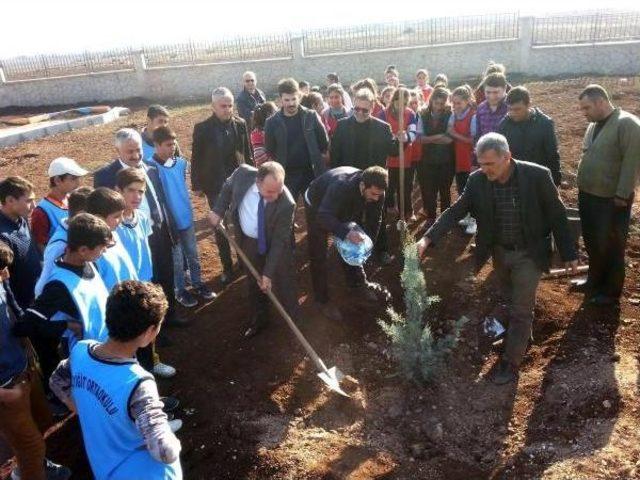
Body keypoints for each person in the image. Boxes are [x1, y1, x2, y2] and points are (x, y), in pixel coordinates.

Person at [416, 133, 578, 384]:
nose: (485, 169)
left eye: (490, 164)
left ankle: (510, 364)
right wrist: (427, 238)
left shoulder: (537, 176)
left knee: (522, 310)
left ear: (507, 157)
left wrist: (569, 253)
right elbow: (455, 211)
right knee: (509, 299)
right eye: (481, 163)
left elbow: (557, 215)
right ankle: (523, 337)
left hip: (530, 253)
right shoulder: (477, 180)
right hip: (499, 252)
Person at [49, 281, 183, 480]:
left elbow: (56, 380)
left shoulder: (81, 350)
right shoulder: (138, 382)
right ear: (148, 332)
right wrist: (169, 436)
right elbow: (164, 452)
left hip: (104, 467)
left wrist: (84, 409)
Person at [0, 242, 72, 480]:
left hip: (23, 370)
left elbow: (18, 317)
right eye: (1, 271)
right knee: (31, 445)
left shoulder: (1, 280)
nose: (6, 274)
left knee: (43, 422)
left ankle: (28, 468)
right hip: (6, 389)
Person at [14, 213, 112, 383]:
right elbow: (24, 326)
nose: (104, 252)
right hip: (86, 364)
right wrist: (65, 326)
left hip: (104, 350)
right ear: (82, 250)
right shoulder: (58, 286)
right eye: (101, 248)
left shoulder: (88, 263)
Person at [209, 162, 297, 337]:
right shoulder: (242, 174)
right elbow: (227, 188)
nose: (276, 196)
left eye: (279, 190)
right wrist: (218, 210)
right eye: (270, 192)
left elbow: (280, 241)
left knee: (283, 279)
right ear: (258, 182)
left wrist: (268, 273)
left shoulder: (287, 203)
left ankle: (293, 319)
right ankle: (260, 319)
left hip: (274, 244)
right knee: (253, 282)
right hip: (249, 241)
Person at [573, 84, 640, 306]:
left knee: (612, 245)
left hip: (612, 199)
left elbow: (632, 161)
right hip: (589, 195)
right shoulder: (593, 125)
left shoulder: (627, 124)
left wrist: (622, 194)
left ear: (602, 101)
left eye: (587, 107)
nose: (584, 113)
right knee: (593, 241)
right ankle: (593, 280)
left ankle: (611, 293)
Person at [305, 166, 388, 321]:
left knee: (354, 236)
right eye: (374, 194)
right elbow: (323, 216)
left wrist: (367, 246)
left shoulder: (377, 191)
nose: (376, 199)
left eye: (380, 195)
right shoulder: (341, 187)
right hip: (317, 203)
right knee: (318, 252)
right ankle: (321, 300)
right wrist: (346, 232)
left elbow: (374, 220)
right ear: (363, 185)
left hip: (345, 203)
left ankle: (357, 283)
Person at [114, 168, 176, 379]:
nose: (137, 196)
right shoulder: (112, 226)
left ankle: (152, 363)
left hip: (145, 282)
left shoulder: (141, 217)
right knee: (129, 335)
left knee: (147, 328)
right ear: (118, 190)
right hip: (124, 289)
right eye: (131, 190)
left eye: (141, 191)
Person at [191, 87, 253, 286]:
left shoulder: (241, 124)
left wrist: (254, 176)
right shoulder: (202, 129)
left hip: (239, 181)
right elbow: (196, 158)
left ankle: (244, 261)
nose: (227, 109)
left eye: (230, 105)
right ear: (213, 106)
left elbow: (248, 152)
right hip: (215, 184)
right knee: (220, 225)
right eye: (223, 106)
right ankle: (227, 267)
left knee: (242, 221)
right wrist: (197, 184)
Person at [330, 88, 398, 265]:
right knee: (350, 216)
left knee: (377, 218)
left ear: (373, 108)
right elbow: (335, 155)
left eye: (365, 110)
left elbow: (394, 151)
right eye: (356, 109)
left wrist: (401, 140)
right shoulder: (342, 126)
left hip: (375, 181)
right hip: (350, 182)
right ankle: (348, 250)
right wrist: (337, 180)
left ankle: (380, 250)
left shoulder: (383, 128)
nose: (360, 113)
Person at [151, 126, 216, 307]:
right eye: (167, 144)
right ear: (156, 145)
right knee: (177, 261)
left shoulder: (180, 164)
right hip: (169, 224)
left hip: (186, 219)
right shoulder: (150, 168)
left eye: (173, 144)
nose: (172, 148)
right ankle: (180, 291)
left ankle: (197, 283)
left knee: (193, 254)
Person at [264, 78, 329, 201]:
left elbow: (323, 142)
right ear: (280, 100)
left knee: (314, 206)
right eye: (287, 100)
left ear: (299, 97)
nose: (291, 103)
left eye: (294, 99)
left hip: (311, 172)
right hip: (287, 175)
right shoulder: (271, 123)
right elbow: (270, 150)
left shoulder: (311, 116)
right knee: (286, 209)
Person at [498, 86, 562, 186]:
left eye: (517, 109)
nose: (512, 113)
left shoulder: (544, 124)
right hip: (515, 180)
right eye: (510, 109)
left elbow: (552, 155)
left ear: (528, 105)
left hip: (539, 179)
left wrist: (555, 182)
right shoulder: (504, 125)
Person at [35, 186, 93, 297]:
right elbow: (41, 288)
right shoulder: (60, 245)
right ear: (82, 214)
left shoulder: (82, 235)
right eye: (96, 214)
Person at [0, 176, 41, 310]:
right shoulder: (3, 236)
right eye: (29, 200)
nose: (34, 205)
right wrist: (19, 315)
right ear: (10, 200)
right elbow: (5, 282)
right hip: (21, 308)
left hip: (36, 299)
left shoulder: (21, 219)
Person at [86, 188, 138, 292]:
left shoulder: (115, 235)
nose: (122, 220)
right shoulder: (93, 254)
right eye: (117, 216)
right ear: (98, 218)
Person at [31, 156, 88, 251]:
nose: (78, 183)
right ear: (57, 180)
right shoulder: (41, 212)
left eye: (78, 178)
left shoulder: (73, 199)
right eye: (73, 179)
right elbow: (41, 247)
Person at [416, 86, 454, 227]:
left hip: (447, 160)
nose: (438, 107)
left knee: (445, 190)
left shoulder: (450, 114)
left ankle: (444, 219)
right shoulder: (422, 114)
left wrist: (429, 138)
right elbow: (420, 138)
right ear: (431, 101)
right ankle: (431, 218)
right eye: (436, 103)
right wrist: (438, 136)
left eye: (442, 104)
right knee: (429, 190)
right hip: (426, 160)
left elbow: (449, 139)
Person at [378, 87, 418, 221]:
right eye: (399, 102)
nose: (402, 106)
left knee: (406, 187)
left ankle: (407, 211)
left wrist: (406, 136)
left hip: (406, 156)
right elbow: (380, 133)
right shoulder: (383, 114)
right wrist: (393, 137)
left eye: (405, 103)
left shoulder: (410, 114)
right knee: (389, 185)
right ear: (393, 100)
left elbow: (414, 133)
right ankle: (389, 206)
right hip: (389, 158)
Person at [447, 85, 477, 234]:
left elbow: (473, 140)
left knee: (472, 190)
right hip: (459, 158)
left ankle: (475, 220)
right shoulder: (454, 114)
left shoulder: (473, 115)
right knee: (462, 189)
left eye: (459, 103)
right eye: (453, 102)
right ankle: (467, 216)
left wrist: (455, 134)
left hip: (470, 159)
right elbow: (449, 129)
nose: (455, 106)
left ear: (467, 101)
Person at [474, 72, 509, 156]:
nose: (492, 96)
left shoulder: (512, 108)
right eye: (488, 92)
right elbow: (478, 136)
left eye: (496, 92)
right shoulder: (481, 108)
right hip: (487, 158)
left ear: (505, 89)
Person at [250, 102, 277, 166]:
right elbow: (259, 157)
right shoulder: (257, 133)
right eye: (275, 112)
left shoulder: (274, 129)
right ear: (269, 115)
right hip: (267, 170)